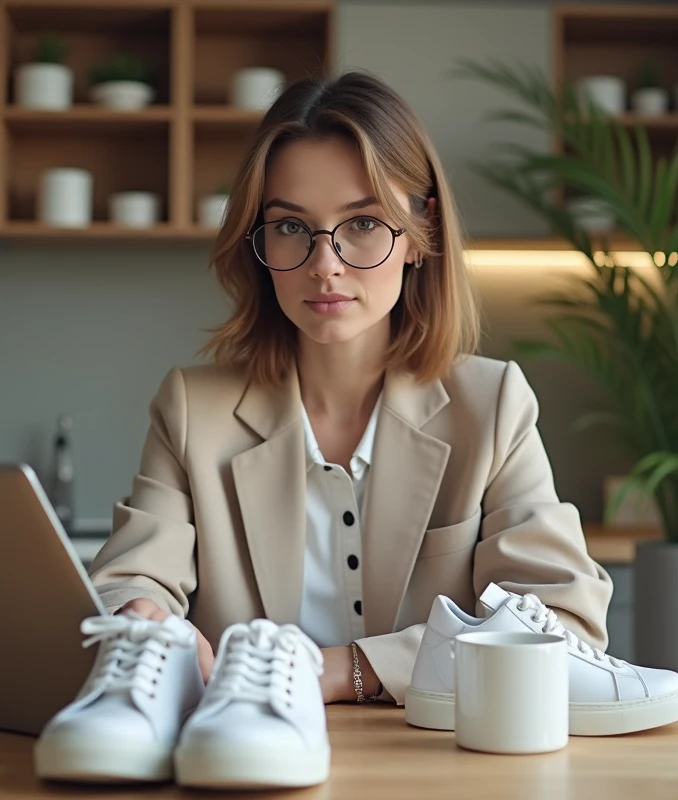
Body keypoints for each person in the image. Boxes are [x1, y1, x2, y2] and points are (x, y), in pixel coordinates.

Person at [87, 70, 613, 705]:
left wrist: (341, 671)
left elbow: (561, 627)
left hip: (432, 752)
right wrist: (141, 615)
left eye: (362, 222)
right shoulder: (192, 409)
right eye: (290, 227)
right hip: (243, 744)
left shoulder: (493, 405)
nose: (325, 265)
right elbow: (128, 582)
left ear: (420, 234)